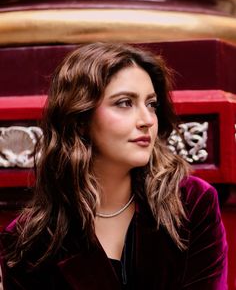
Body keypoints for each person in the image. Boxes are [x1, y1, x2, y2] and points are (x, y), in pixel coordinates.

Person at [0, 43, 227, 289]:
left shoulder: (191, 203)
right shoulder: (31, 242)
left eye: (151, 104)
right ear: (80, 119)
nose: (147, 120)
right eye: (124, 103)